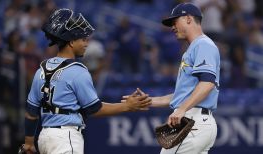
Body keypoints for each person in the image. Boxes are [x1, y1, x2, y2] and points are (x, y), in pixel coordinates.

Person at [23, 8, 151, 154]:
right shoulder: (77, 71)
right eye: (83, 39)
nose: (86, 44)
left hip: (44, 138)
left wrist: (28, 143)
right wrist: (127, 106)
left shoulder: (42, 70)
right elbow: (95, 109)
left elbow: (31, 113)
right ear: (71, 42)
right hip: (66, 137)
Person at [133, 3, 220, 154]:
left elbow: (207, 83)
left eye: (175, 21)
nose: (172, 27)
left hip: (193, 121)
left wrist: (182, 109)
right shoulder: (192, 49)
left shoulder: (203, 44)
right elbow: (182, 96)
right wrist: (149, 101)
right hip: (197, 121)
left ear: (188, 19)